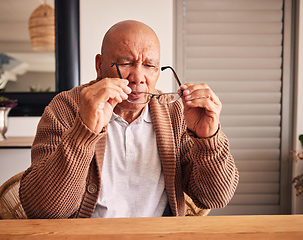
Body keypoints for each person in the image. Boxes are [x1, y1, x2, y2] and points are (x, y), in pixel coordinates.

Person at [19, 20, 239, 218]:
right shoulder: (66, 107)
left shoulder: (175, 113)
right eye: (125, 63)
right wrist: (84, 131)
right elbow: (43, 210)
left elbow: (215, 198)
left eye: (149, 66)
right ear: (99, 66)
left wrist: (208, 138)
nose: (138, 78)